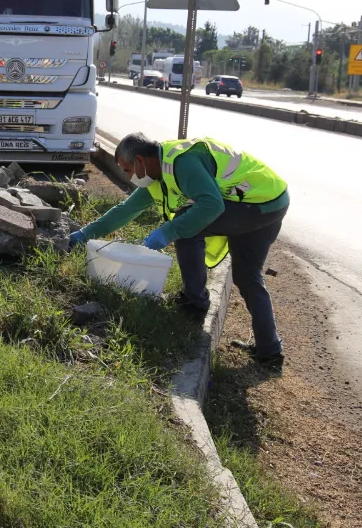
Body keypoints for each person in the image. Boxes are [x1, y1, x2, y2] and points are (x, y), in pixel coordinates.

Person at [71, 133, 290, 368]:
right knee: (247, 277)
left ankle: (194, 303)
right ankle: (270, 351)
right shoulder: (157, 177)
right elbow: (125, 211)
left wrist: (168, 231)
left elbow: (211, 204)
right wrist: (85, 234)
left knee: (186, 225)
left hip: (260, 202)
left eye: (127, 169)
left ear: (140, 161)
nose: (128, 176)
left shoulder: (182, 162)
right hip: (271, 198)